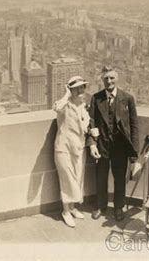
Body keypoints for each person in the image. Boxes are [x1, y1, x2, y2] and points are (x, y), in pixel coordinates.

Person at [87, 66, 139, 221]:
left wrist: (134, 152)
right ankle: (101, 206)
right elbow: (91, 123)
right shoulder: (96, 98)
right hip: (102, 145)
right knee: (100, 177)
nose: (109, 81)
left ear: (117, 78)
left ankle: (118, 208)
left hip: (120, 148)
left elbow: (134, 125)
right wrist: (92, 144)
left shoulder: (127, 98)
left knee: (119, 178)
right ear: (102, 80)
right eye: (106, 78)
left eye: (112, 78)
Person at [53, 76, 90, 228]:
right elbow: (56, 107)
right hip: (63, 148)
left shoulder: (83, 106)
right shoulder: (64, 106)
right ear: (71, 90)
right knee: (67, 178)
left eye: (82, 87)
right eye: (77, 88)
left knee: (78, 177)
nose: (81, 90)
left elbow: (84, 126)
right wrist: (67, 94)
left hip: (78, 148)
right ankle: (66, 211)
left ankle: (73, 207)